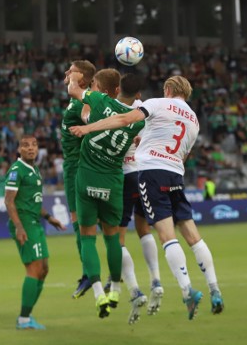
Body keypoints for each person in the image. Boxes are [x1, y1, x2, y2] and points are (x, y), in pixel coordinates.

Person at [71, 75, 224, 320]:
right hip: (176, 175)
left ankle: (186, 291)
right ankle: (214, 288)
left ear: (169, 88)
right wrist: (145, 142)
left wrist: (87, 128)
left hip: (150, 173)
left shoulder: (157, 103)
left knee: (163, 235)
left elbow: (124, 119)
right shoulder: (194, 119)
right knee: (192, 234)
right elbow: (180, 153)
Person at [66, 68, 145, 319]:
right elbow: (137, 140)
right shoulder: (137, 120)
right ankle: (117, 291)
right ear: (119, 89)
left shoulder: (98, 101)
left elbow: (73, 90)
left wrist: (74, 76)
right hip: (112, 183)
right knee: (113, 238)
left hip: (87, 178)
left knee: (88, 236)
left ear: (101, 89)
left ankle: (99, 292)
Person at [113, 73, 162, 323]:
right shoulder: (144, 111)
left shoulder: (112, 109)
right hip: (143, 175)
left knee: (117, 236)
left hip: (121, 176)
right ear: (139, 94)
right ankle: (156, 279)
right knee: (144, 229)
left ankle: (134, 289)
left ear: (118, 88)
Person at [4, 136, 65, 330]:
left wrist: (48, 217)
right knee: (34, 269)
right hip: (24, 224)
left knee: (44, 269)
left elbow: (33, 201)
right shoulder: (16, 170)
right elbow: (9, 201)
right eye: (25, 145)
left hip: (35, 223)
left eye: (34, 145)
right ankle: (23, 319)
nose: (30, 148)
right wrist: (19, 227)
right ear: (19, 150)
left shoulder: (35, 170)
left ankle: (27, 314)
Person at [61, 60, 97, 299]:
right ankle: (91, 272)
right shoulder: (76, 100)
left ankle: (90, 274)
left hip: (77, 168)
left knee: (81, 223)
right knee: (85, 224)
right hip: (73, 166)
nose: (67, 73)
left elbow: (91, 120)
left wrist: (88, 126)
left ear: (81, 77)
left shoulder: (84, 100)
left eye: (71, 70)